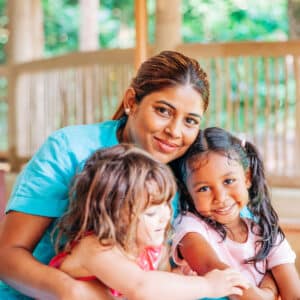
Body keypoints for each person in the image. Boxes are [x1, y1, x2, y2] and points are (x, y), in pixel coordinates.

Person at [0, 50, 211, 299]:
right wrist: (74, 292)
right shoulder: (69, 149)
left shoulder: (188, 170)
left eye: (190, 121)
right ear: (131, 101)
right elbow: (7, 255)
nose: (175, 131)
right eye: (163, 111)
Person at [47, 143, 249, 300]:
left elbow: (158, 286)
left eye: (167, 205)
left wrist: (182, 279)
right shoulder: (95, 248)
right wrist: (207, 286)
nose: (164, 216)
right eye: (151, 213)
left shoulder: (149, 247)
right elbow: (141, 287)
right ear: (114, 215)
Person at [170, 127, 300, 300]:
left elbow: (294, 293)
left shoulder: (266, 233)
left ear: (247, 178)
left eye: (229, 181)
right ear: (187, 192)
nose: (220, 198)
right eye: (204, 188)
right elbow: (215, 270)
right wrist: (267, 293)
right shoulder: (188, 227)